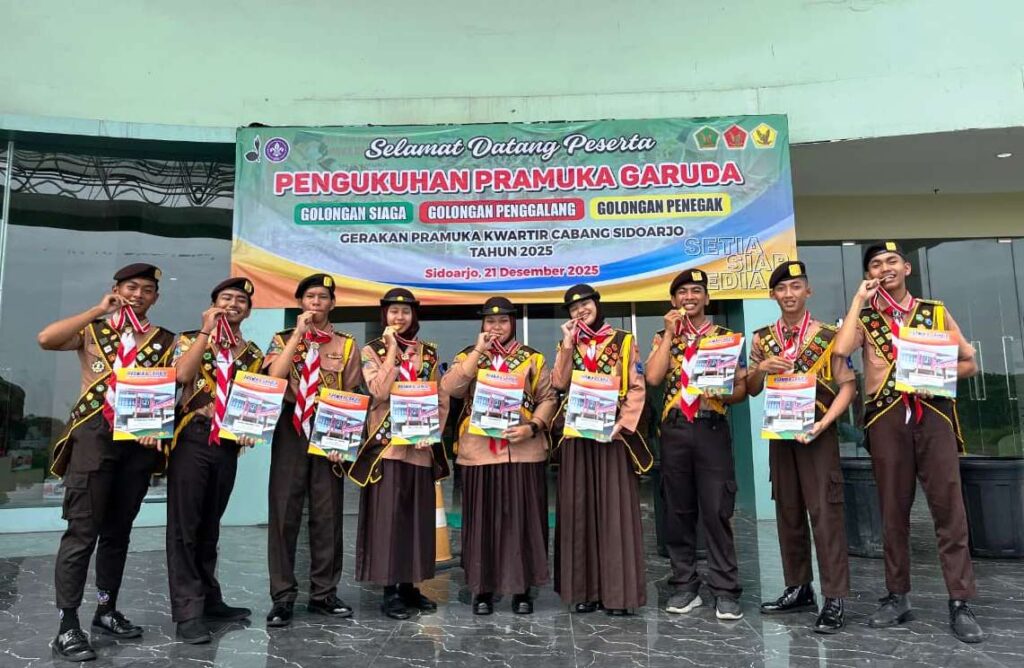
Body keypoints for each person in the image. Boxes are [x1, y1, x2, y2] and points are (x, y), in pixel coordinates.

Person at [833, 241, 983, 643]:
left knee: (949, 509)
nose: (884, 268)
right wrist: (857, 300)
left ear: (907, 268)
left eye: (891, 261)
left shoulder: (933, 313)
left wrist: (936, 370)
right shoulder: (866, 317)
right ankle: (897, 595)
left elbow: (969, 361)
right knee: (892, 510)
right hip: (886, 417)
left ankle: (960, 600)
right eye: (875, 264)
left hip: (933, 414)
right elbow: (841, 350)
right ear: (869, 274)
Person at [38, 263, 176, 662]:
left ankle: (105, 609)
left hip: (138, 439)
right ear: (116, 289)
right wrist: (98, 309)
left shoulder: (164, 340)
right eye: (131, 287)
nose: (138, 294)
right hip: (94, 435)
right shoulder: (93, 330)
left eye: (146, 289)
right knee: (82, 532)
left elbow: (172, 385)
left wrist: (158, 426)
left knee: (118, 532)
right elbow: (46, 339)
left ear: (155, 297)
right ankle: (67, 625)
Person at [745, 261, 854, 633]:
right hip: (781, 434)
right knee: (788, 510)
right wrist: (762, 368)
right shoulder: (762, 339)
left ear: (808, 291)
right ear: (772, 295)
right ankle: (799, 587)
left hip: (817, 433)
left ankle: (835, 596)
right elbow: (751, 389)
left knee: (825, 513)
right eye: (781, 288)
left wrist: (826, 422)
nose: (788, 294)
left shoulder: (829, 335)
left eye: (795, 286)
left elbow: (848, 386)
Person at [439, 296, 556, 615]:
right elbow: (451, 388)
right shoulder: (468, 355)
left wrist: (533, 426)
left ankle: (522, 589)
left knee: (523, 521)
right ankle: (482, 589)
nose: (496, 327)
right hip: (479, 452)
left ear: (513, 323)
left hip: (522, 450)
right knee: (482, 523)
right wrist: (479, 351)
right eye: (490, 321)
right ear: (482, 325)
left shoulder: (532, 357)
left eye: (503, 321)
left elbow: (548, 398)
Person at [644, 269, 747, 620]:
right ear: (673, 300)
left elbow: (740, 390)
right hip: (675, 429)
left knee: (717, 509)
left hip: (710, 427)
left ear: (707, 298)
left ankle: (725, 589)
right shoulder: (663, 336)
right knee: (678, 510)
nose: (689, 297)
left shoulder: (725, 337)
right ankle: (684, 585)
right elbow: (653, 377)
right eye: (683, 292)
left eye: (696, 291)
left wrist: (721, 390)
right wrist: (670, 334)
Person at [166, 277, 264, 643]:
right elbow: (182, 375)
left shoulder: (251, 353)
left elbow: (255, 399)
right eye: (226, 298)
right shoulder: (190, 339)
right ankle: (187, 613)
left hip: (226, 443)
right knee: (185, 527)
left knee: (210, 525)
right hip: (192, 438)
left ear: (248, 311)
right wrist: (207, 331)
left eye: (241, 300)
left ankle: (209, 599)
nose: (233, 304)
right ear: (212, 304)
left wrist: (251, 426)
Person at [263, 273, 362, 627]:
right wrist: (297, 337)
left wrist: (342, 439)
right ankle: (282, 597)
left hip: (329, 426)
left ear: (332, 304)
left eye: (322, 297)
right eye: (310, 297)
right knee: (284, 513)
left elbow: (351, 394)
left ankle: (324, 593)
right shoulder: (281, 339)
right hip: (291, 426)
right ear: (300, 303)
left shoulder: (346, 344)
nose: (316, 303)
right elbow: (274, 379)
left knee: (327, 514)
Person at [349, 287, 450, 620]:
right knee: (390, 520)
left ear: (413, 316)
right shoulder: (371, 351)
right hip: (387, 448)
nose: (399, 317)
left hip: (419, 448)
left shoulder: (429, 353)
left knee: (417, 520)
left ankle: (410, 586)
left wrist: (431, 432)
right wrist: (392, 350)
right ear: (385, 316)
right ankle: (390, 590)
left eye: (405, 312)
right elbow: (378, 392)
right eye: (393, 311)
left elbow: (440, 397)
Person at [550, 284, 649, 616]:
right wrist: (567, 344)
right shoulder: (568, 344)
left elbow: (637, 387)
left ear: (597, 304)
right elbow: (559, 383)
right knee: (579, 512)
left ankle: (618, 595)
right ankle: (585, 591)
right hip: (578, 437)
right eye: (574, 308)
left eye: (586, 304)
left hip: (612, 438)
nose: (581, 310)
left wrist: (624, 423)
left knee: (614, 514)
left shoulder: (623, 341)